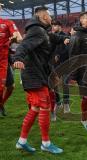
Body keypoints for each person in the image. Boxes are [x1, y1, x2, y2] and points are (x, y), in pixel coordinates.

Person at [13, 6, 69, 154]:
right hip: (33, 75)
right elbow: (24, 45)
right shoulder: (37, 30)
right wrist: (17, 58)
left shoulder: (42, 32)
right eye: (50, 16)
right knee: (45, 106)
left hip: (38, 74)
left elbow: (55, 38)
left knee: (35, 108)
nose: (51, 19)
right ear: (44, 16)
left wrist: (66, 38)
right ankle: (45, 143)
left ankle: (22, 141)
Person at [0, 3, 22, 116]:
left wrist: (14, 39)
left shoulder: (7, 23)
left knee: (11, 86)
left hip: (4, 59)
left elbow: (19, 38)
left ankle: (1, 104)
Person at [51, 20, 70, 121]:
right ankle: (58, 102)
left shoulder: (65, 36)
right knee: (54, 85)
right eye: (53, 25)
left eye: (55, 25)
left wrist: (59, 55)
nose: (54, 27)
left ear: (60, 26)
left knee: (65, 83)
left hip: (65, 63)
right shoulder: (52, 36)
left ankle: (66, 103)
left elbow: (67, 49)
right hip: (55, 64)